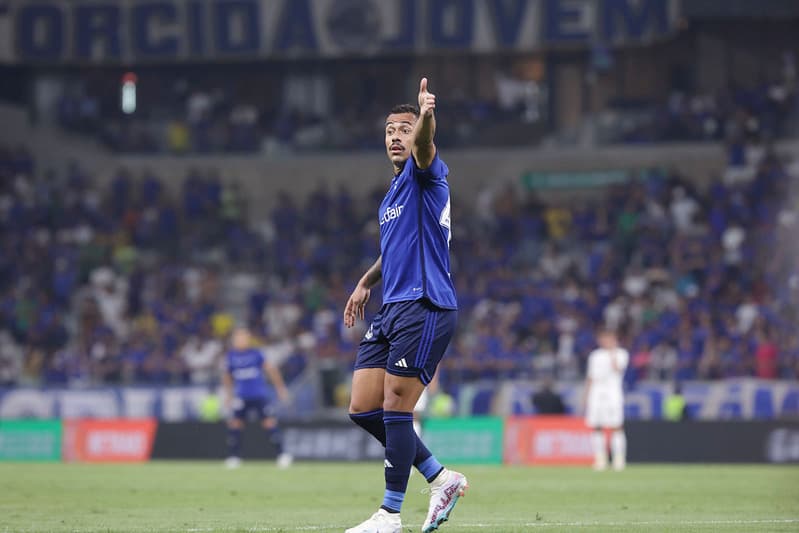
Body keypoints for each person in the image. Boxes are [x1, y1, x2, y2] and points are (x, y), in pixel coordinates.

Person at [343, 78, 468, 533]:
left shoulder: (425, 170)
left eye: (405, 128)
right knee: (362, 407)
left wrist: (426, 116)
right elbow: (391, 252)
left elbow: (427, 145)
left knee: (397, 406)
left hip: (425, 304)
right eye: (390, 130)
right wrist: (365, 282)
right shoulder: (392, 196)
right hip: (392, 307)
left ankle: (389, 514)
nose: (397, 136)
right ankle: (440, 477)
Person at [222, 326, 292, 469]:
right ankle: (234, 457)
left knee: (269, 423)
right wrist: (228, 395)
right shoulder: (231, 356)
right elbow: (227, 377)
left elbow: (271, 370)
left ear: (248, 339)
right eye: (238, 338)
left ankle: (282, 455)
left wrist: (280, 388)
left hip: (258, 395)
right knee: (235, 424)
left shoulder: (256, 354)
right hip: (240, 397)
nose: (240, 340)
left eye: (243, 337)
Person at [583, 328, 629, 471]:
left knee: (616, 427)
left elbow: (618, 369)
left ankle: (618, 459)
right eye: (603, 338)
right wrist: (586, 395)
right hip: (596, 395)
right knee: (597, 427)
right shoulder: (594, 356)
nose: (605, 341)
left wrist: (612, 352)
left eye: (609, 338)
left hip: (613, 394)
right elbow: (590, 377)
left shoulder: (621, 354)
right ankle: (600, 459)